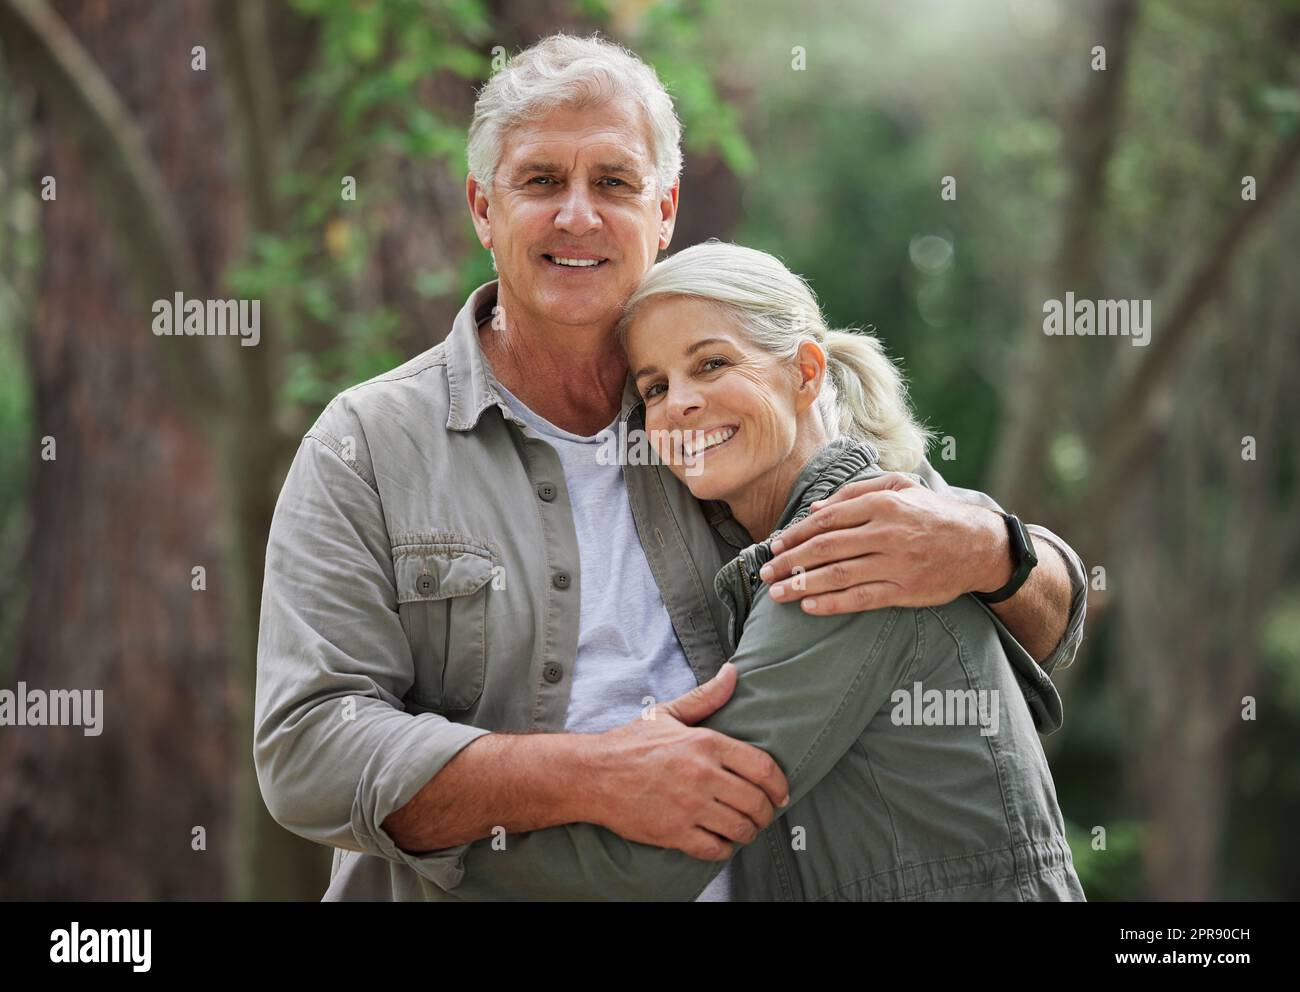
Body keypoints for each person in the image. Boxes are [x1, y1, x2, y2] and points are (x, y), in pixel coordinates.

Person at [253, 33, 1087, 902]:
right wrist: (590, 776)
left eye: (613, 182)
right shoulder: (366, 446)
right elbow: (307, 749)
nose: (578, 215)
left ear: (664, 210)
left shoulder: (738, 415)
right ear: (481, 207)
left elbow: (1030, 619)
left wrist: (998, 550)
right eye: (541, 180)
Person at [418, 241, 1084, 900]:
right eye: (654, 386)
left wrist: (418, 835)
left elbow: (676, 836)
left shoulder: (848, 546)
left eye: (710, 363)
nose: (677, 403)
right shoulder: (792, 524)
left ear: (806, 374)